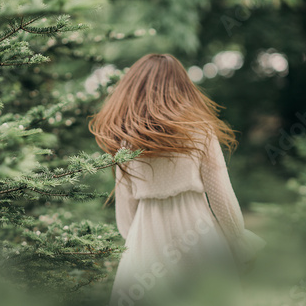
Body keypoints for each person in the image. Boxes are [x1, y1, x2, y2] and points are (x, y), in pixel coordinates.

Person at [88, 53, 266, 306]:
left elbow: (125, 212)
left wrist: (136, 241)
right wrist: (237, 238)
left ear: (134, 88)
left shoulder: (127, 139)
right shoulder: (199, 130)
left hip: (146, 237)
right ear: (181, 85)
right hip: (197, 232)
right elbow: (221, 197)